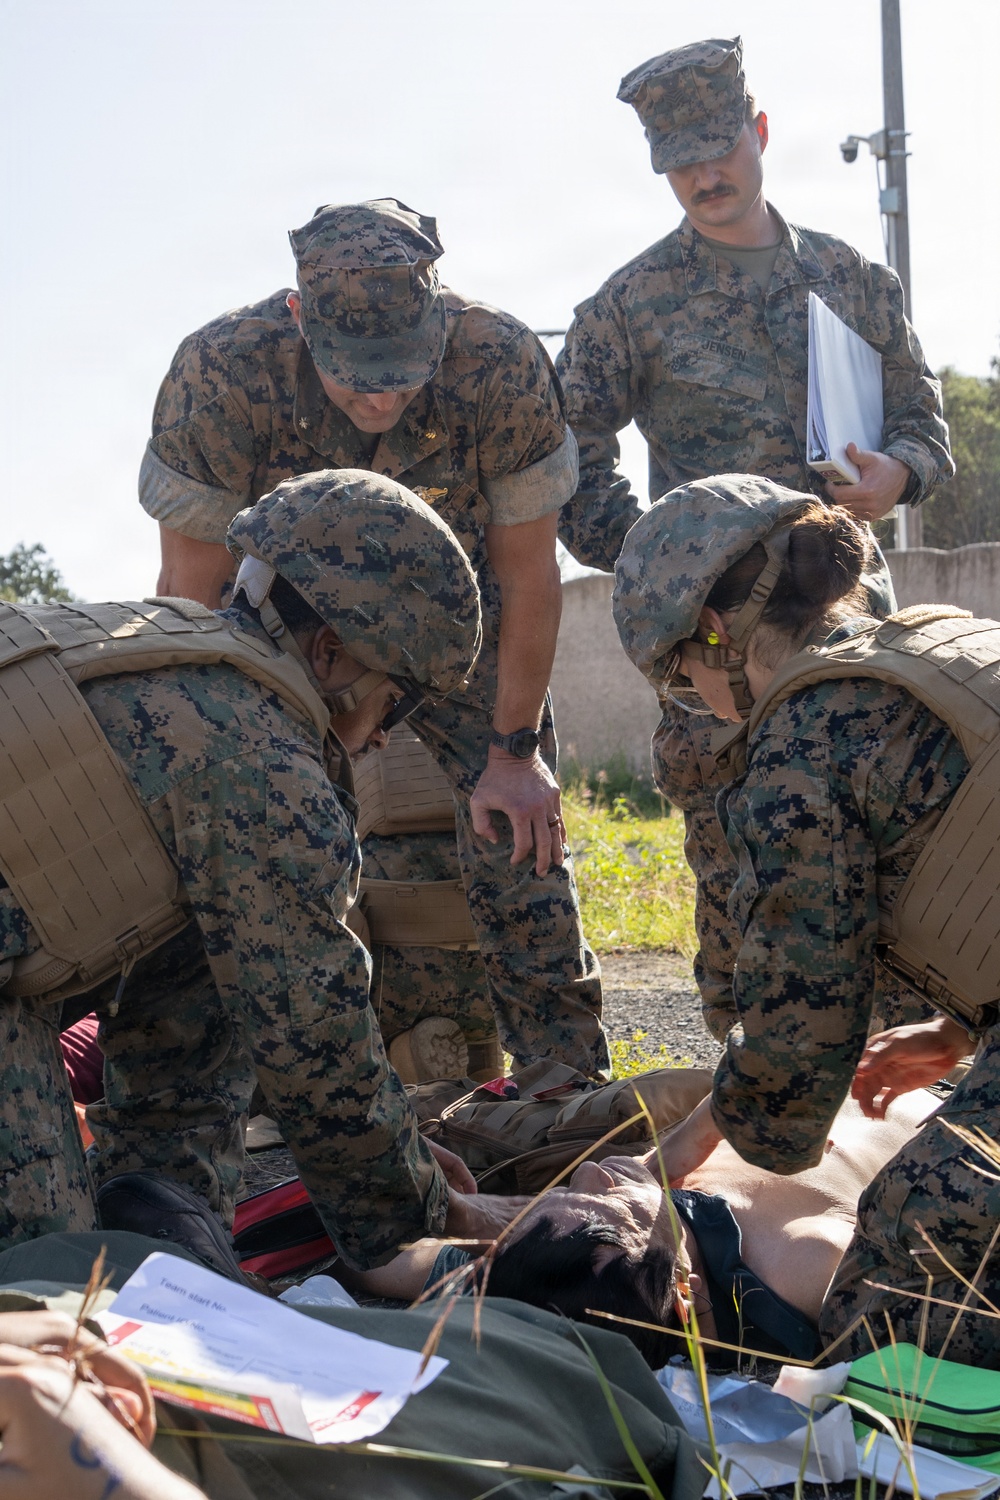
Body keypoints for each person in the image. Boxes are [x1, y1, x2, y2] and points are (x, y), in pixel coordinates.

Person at [0, 468, 522, 1272]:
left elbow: (223, 1002)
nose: (387, 738)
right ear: (331, 652)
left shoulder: (145, 645)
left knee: (200, 956)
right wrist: (420, 1210)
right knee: (55, 1289)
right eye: (397, 701)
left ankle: (160, 1243)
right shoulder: (267, 762)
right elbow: (316, 1044)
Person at [139, 196, 608, 1081]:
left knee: (522, 839)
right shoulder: (222, 372)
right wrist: (200, 765)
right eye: (355, 372)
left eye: (401, 367)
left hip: (460, 633)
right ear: (297, 317)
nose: (381, 392)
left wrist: (511, 751)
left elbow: (529, 576)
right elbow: (190, 597)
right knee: (245, 841)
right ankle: (253, 1086)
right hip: (288, 634)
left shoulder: (498, 362)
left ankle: (567, 1089)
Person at [556, 36, 953, 1039]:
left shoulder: (852, 278)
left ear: (759, 133)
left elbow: (922, 422)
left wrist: (896, 473)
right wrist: (660, 563)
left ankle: (895, 1088)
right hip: (718, 650)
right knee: (738, 874)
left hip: (851, 625)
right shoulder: (627, 306)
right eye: (677, 159)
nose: (702, 174)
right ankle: (752, 1103)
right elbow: (567, 457)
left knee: (886, 854)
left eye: (717, 146)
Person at [609, 472, 998, 1364]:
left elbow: (797, 1041)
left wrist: (675, 1155)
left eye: (681, 672)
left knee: (904, 1280)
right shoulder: (938, 647)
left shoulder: (803, 734)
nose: (691, 694)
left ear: (712, 631)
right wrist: (957, 1030)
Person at [352, 1070, 937, 1369]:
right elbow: (780, 1076)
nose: (592, 1174)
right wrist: (702, 1130)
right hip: (915, 1088)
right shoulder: (806, 1263)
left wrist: (464, 1218)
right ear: (686, 1295)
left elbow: (380, 1264)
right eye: (612, 1205)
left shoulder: (589, 1271)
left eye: (564, 1198)